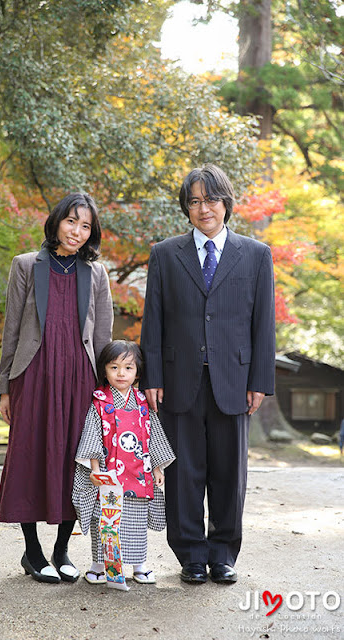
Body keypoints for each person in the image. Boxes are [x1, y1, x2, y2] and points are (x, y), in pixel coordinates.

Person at [140, 164, 275, 585]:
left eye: (211, 199)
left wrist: (259, 381)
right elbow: (153, 321)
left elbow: (263, 324)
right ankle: (191, 556)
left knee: (228, 473)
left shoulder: (256, 254)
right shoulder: (165, 253)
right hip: (179, 381)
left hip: (234, 381)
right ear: (187, 208)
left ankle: (223, 554)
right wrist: (152, 378)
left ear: (226, 203)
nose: (204, 208)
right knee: (183, 472)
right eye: (194, 201)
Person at [0, 192, 114, 584]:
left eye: (85, 226)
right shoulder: (26, 265)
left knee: (77, 461)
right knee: (28, 456)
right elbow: (11, 330)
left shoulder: (96, 274)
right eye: (71, 222)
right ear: (56, 221)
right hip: (32, 375)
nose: (77, 232)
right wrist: (4, 388)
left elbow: (102, 338)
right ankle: (32, 552)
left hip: (81, 379)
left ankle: (62, 549)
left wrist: (108, 393)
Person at [72, 340, 175, 585]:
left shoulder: (142, 402)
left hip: (138, 472)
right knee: (104, 521)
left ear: (138, 372)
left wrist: (158, 468)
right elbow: (92, 435)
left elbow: (153, 435)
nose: (121, 373)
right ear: (104, 370)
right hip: (108, 475)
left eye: (128, 368)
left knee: (136, 522)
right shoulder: (99, 402)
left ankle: (140, 565)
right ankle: (99, 565)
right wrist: (95, 470)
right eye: (114, 367)